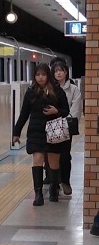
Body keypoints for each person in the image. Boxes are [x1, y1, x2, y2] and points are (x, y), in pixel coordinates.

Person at [12, 63, 69, 206]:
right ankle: (38, 194)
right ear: (34, 76)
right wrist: (16, 132)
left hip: (54, 131)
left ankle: (53, 189)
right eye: (38, 75)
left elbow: (66, 110)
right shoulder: (31, 92)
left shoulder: (57, 91)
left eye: (43, 74)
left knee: (54, 162)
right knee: (37, 159)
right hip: (36, 131)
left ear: (48, 75)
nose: (40, 77)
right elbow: (24, 114)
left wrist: (56, 111)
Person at [50, 58, 81, 196]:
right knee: (52, 156)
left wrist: (65, 122)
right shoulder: (50, 88)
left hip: (66, 127)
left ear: (66, 72)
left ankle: (65, 182)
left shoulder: (74, 89)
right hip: (51, 127)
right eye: (56, 71)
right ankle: (54, 183)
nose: (58, 73)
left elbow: (76, 108)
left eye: (61, 71)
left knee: (65, 155)